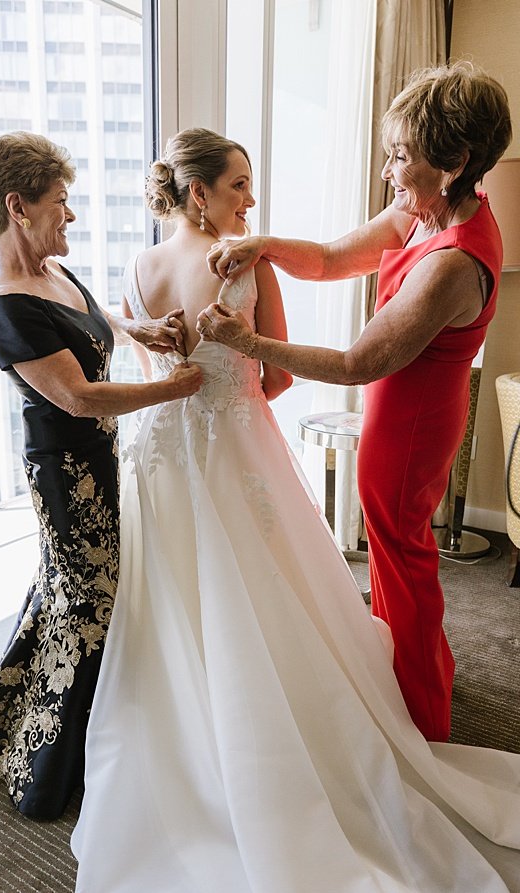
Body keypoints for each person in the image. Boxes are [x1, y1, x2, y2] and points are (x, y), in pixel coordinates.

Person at [73, 127, 520, 893]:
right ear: (200, 192)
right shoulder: (244, 263)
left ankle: (194, 741)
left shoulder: (140, 265)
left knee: (177, 601)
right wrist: (238, 379)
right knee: (272, 589)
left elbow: (148, 358)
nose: (253, 199)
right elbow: (276, 378)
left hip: (160, 457)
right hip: (239, 445)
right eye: (241, 184)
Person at [199, 62, 512, 742]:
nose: (388, 171)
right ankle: (412, 679)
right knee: (398, 560)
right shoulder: (424, 211)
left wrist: (248, 342)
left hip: (410, 429)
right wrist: (266, 245)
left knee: (402, 561)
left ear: (455, 160)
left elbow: (355, 362)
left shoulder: (452, 263)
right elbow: (334, 257)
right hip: (406, 409)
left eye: (402, 156)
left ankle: (421, 716)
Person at [0, 132, 203, 819]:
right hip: (66, 474)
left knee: (69, 593)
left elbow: (89, 326)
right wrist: (176, 390)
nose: (72, 217)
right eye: (60, 203)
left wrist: (139, 331)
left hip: (101, 458)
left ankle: (5, 723)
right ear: (17, 206)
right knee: (86, 606)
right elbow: (79, 396)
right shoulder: (5, 304)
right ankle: (45, 768)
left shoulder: (54, 273)